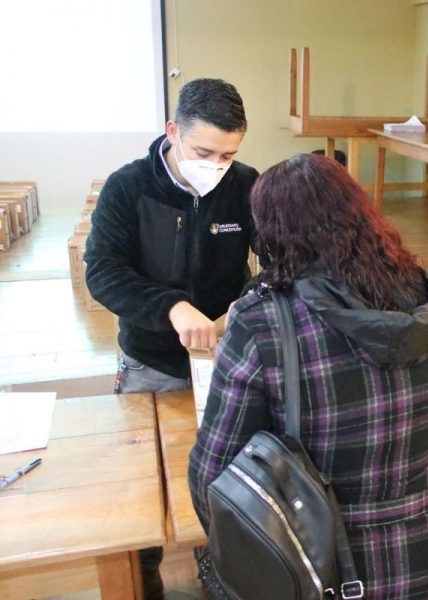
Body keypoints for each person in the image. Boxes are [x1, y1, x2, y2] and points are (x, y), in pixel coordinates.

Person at [188, 153, 428, 599]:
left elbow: (214, 475)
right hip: (424, 554)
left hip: (313, 564)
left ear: (272, 235)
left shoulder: (261, 322)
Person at [84, 78, 259, 599]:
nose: (217, 163)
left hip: (226, 359)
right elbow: (104, 272)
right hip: (151, 360)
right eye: (205, 151)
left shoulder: (246, 185)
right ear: (173, 132)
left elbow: (281, 265)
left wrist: (245, 308)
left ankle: (221, 567)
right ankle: (143, 576)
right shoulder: (129, 187)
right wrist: (171, 307)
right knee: (142, 488)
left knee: (225, 476)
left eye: (228, 154)